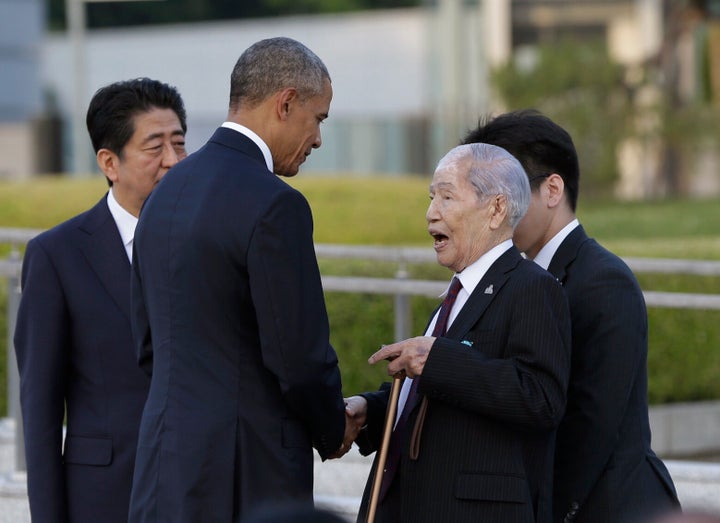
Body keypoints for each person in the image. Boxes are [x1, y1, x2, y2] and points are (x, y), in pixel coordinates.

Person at [128, 37, 356, 522]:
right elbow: (297, 357)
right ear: (286, 102)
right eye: (318, 119)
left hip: (163, 465)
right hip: (248, 473)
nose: (317, 139)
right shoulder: (276, 203)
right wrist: (333, 426)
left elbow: (148, 344)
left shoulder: (163, 196)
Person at [462, 109, 681, 523]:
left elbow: (592, 423)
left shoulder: (602, 280)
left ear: (552, 189)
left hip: (609, 507)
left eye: (505, 193)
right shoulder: (510, 278)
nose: (494, 210)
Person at [345, 142, 572, 522]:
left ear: (496, 209)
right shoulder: (458, 292)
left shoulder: (532, 287)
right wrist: (371, 409)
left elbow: (541, 398)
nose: (431, 213)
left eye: (447, 197)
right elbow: (435, 398)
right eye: (432, 198)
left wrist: (436, 358)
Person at [13, 77, 187, 523]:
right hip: (105, 497)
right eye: (155, 148)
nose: (173, 161)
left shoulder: (208, 243)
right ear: (110, 162)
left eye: (180, 144)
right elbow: (41, 410)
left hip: (198, 491)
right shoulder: (57, 255)